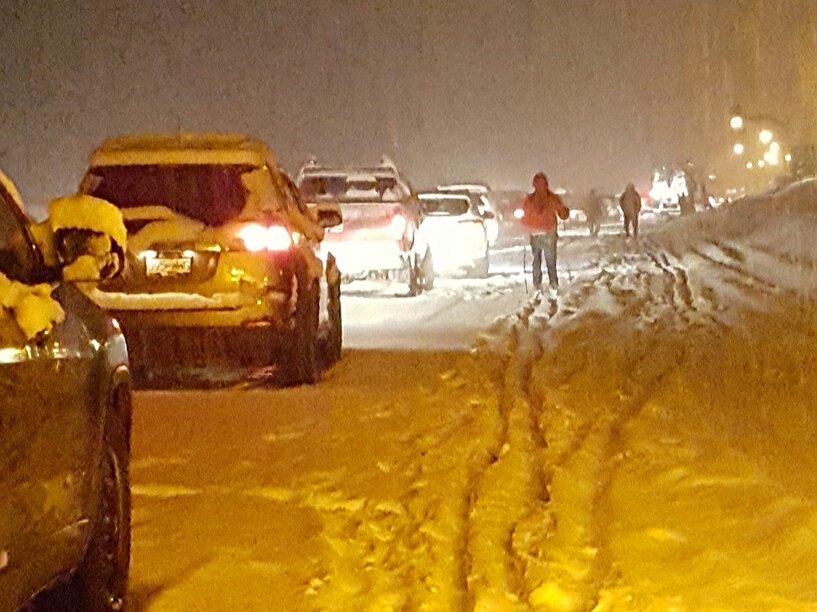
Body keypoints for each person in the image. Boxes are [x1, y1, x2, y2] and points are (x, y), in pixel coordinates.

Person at [521, 172, 569, 292]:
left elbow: (525, 216)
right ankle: (553, 282)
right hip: (549, 232)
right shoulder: (552, 198)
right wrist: (565, 212)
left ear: (534, 184)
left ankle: (537, 283)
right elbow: (562, 214)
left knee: (536, 259)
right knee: (551, 259)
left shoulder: (530, 199)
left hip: (535, 233)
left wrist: (527, 225)